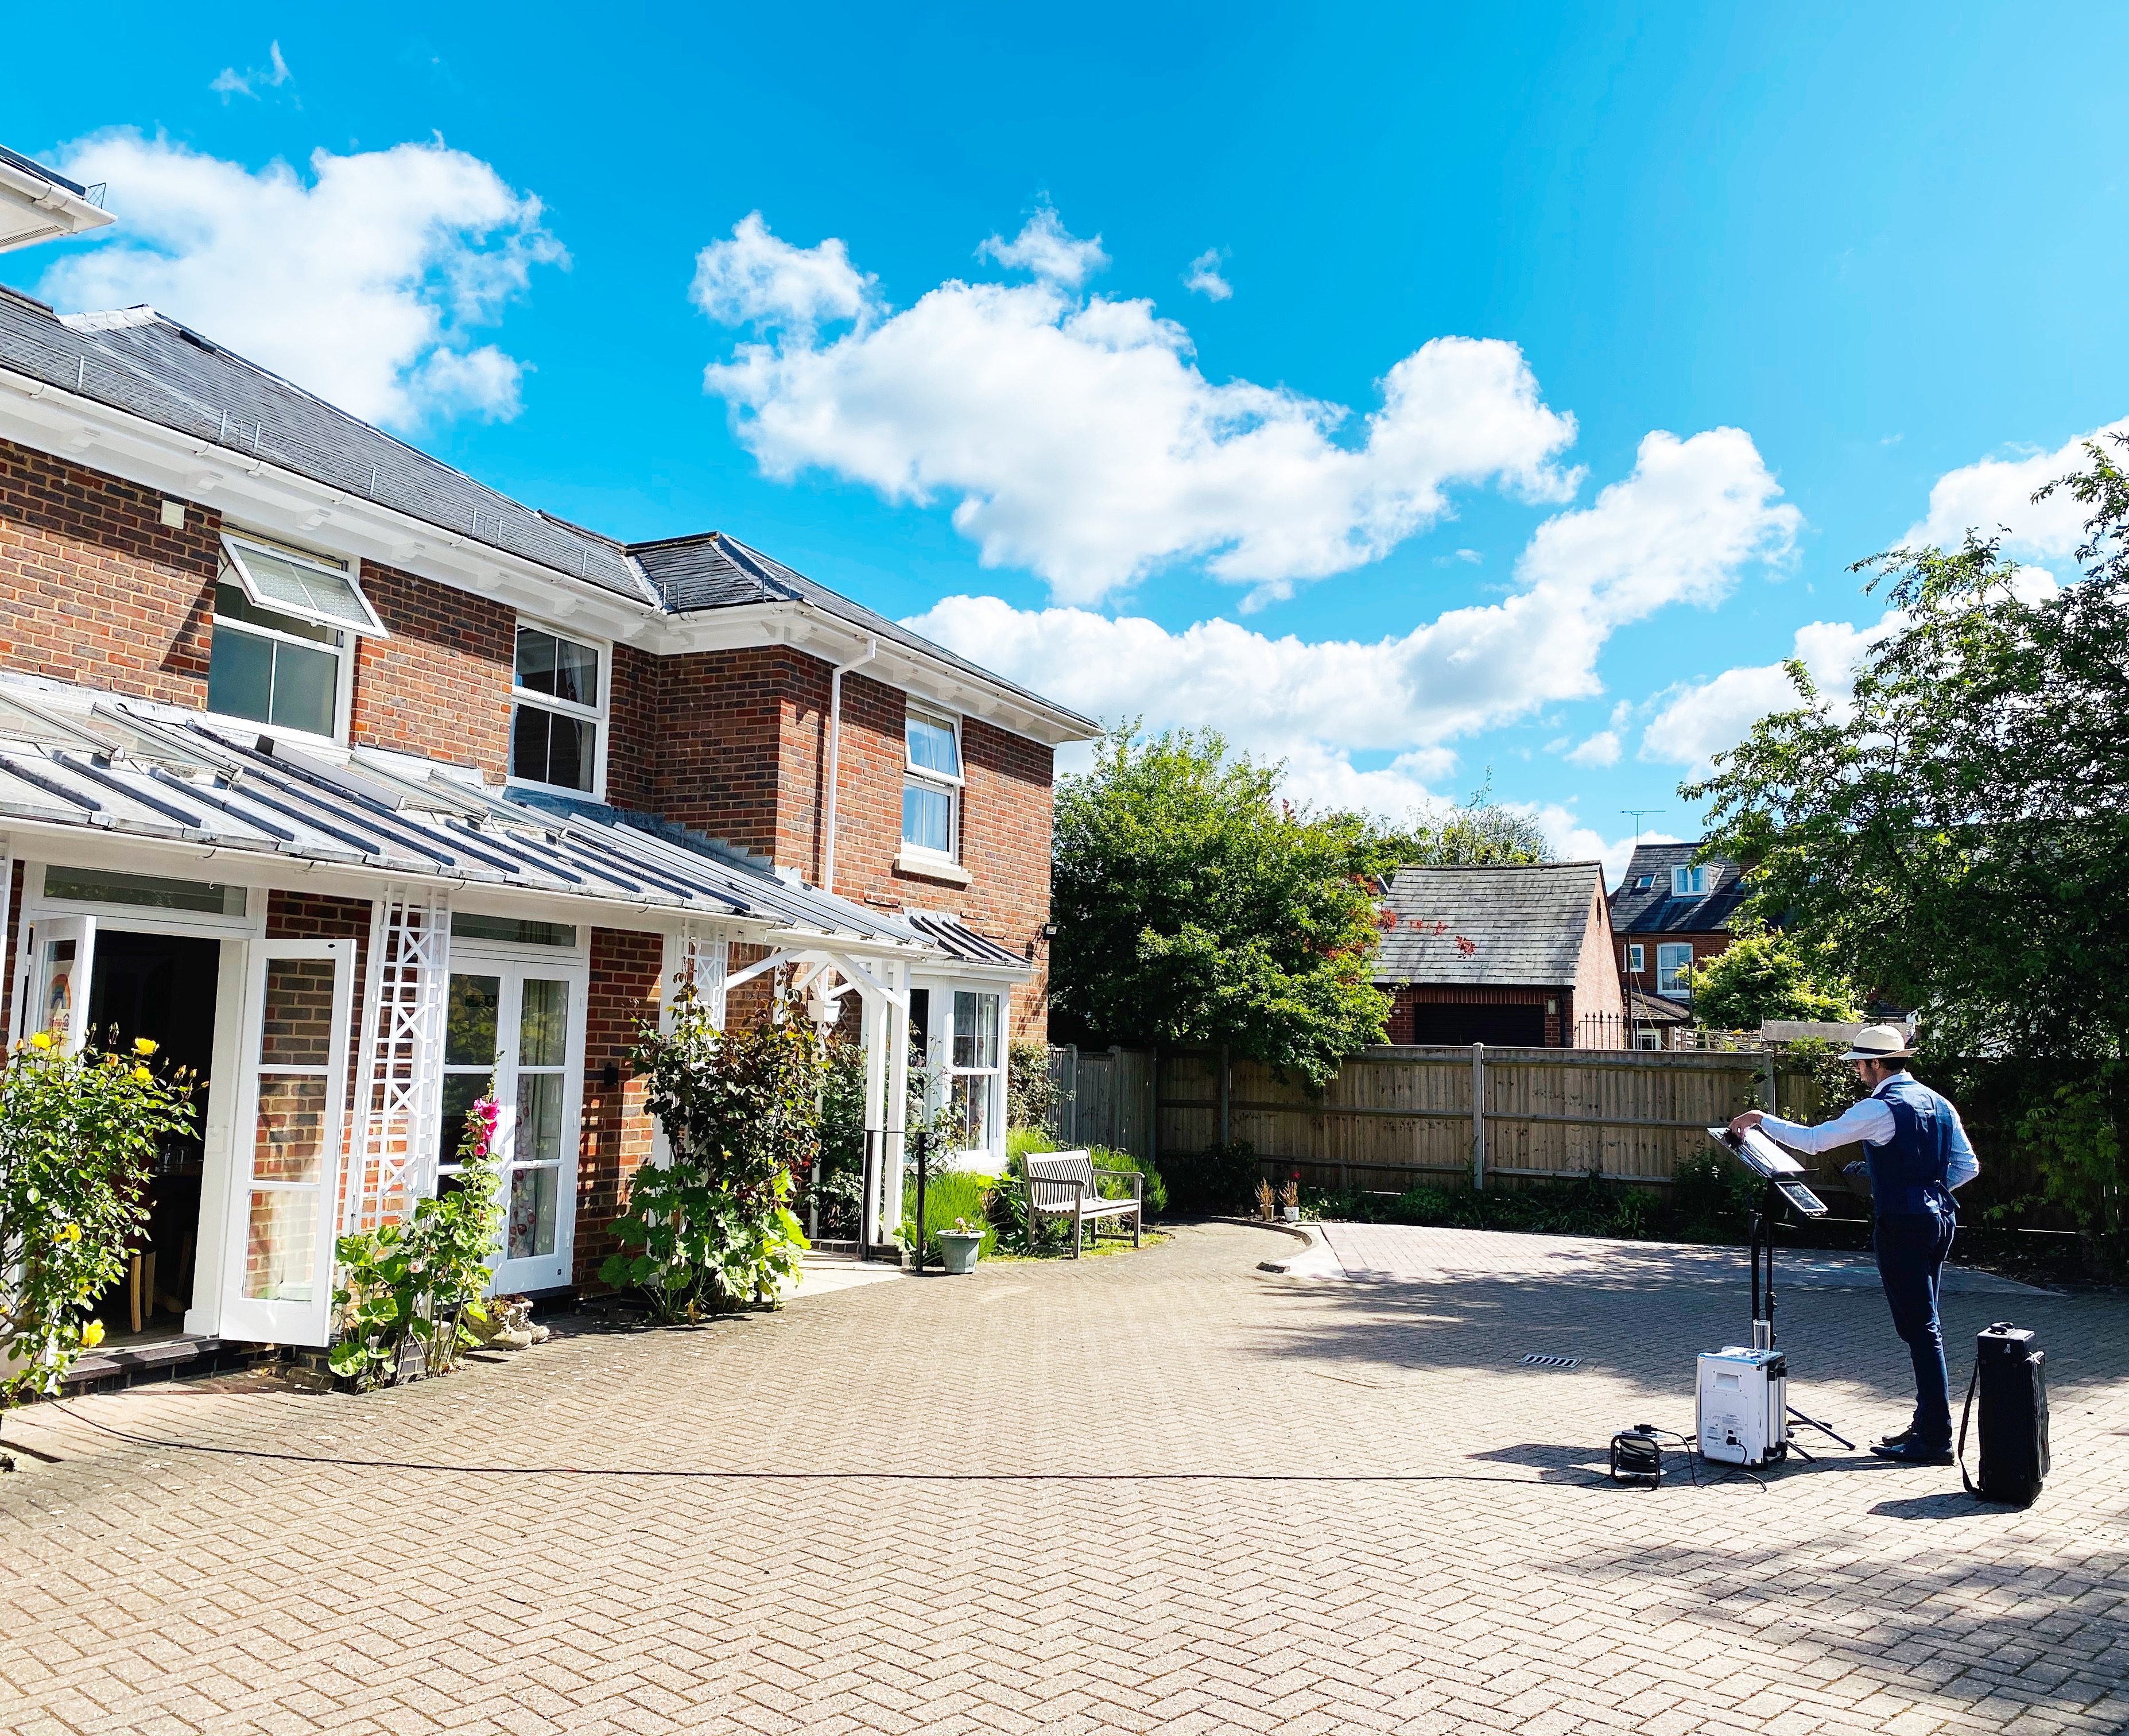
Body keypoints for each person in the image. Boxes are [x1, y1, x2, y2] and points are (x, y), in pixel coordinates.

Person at [1728, 1025, 1979, 1466]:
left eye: (1859, 1064)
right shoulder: (1938, 1102)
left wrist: (1760, 1120)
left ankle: (1935, 1438)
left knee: (1920, 1330)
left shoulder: (1880, 1108)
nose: (1857, 1071)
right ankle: (1927, 1424)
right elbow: (1967, 1167)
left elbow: (1813, 1141)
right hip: (1940, 1218)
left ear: (1876, 1064)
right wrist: (1925, 1190)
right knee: (1924, 1325)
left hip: (1902, 1223)